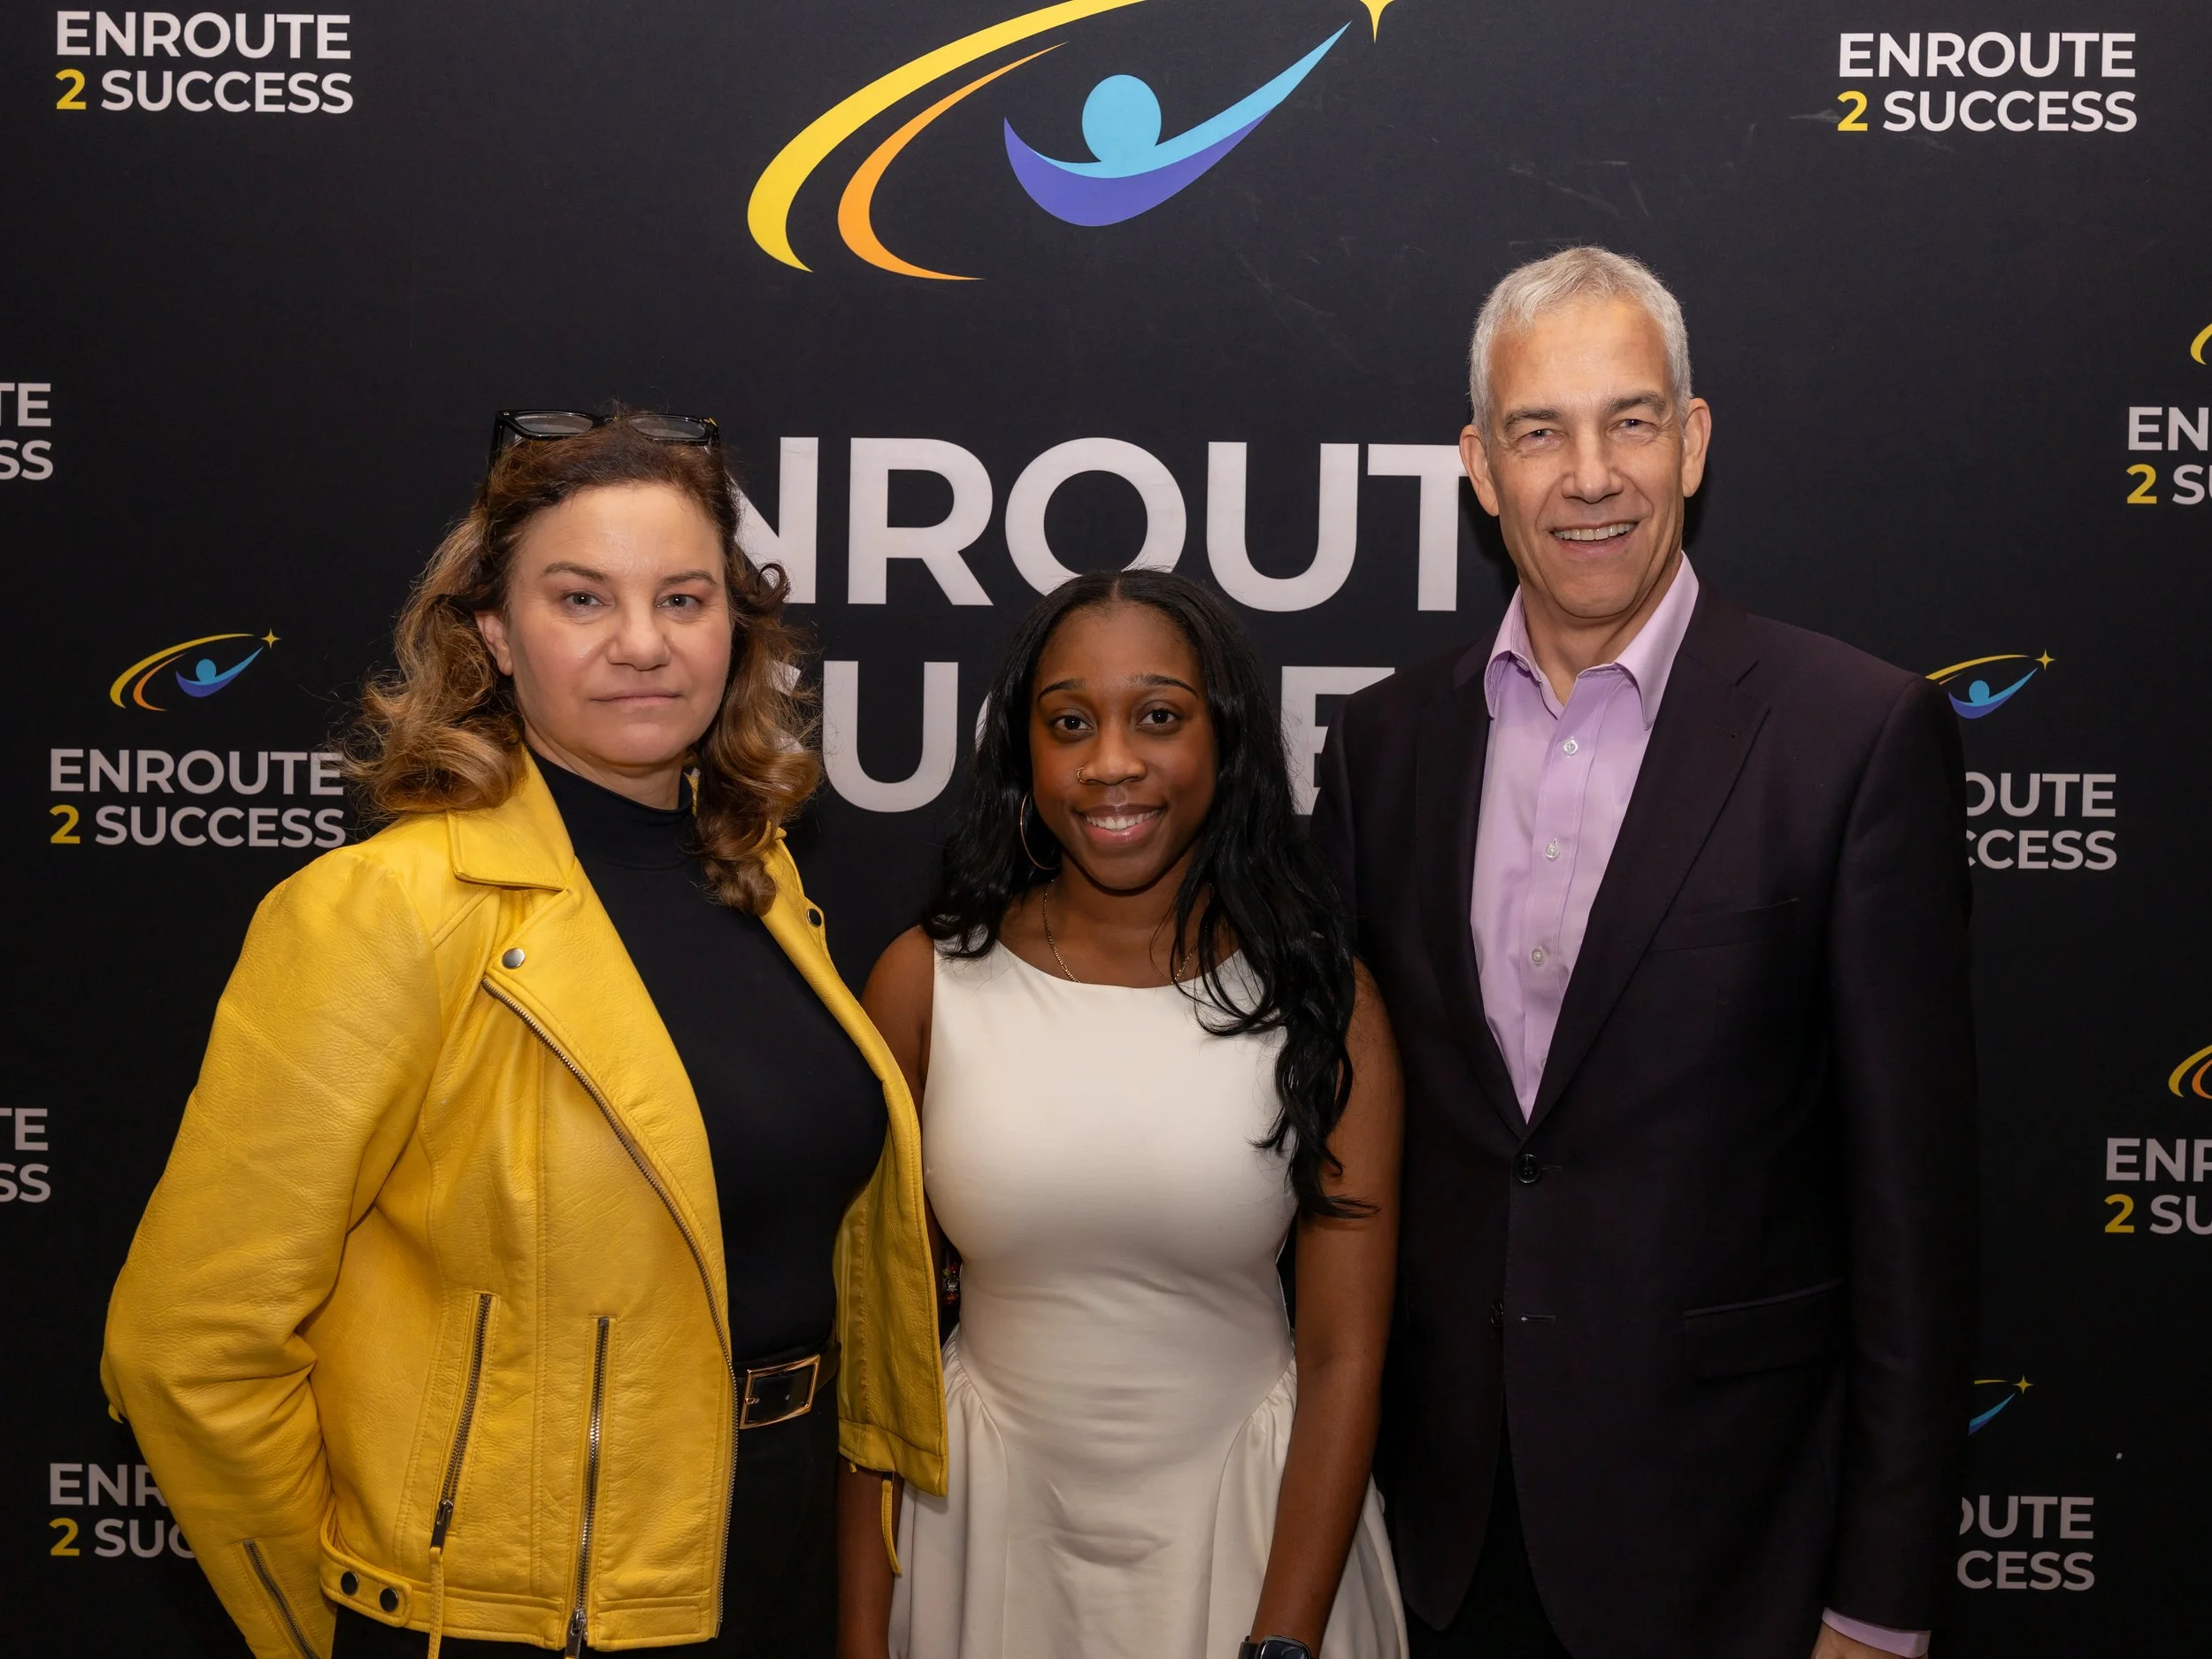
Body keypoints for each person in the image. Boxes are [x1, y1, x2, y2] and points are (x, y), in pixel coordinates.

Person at [100, 410, 944, 1659]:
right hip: (513, 1613)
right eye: (581, 597)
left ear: (737, 629)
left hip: (774, 1548)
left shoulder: (754, 877)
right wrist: (337, 1624)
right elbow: (187, 1343)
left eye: (685, 596)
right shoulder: (387, 910)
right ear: (495, 633)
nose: (643, 643)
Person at [1311, 249, 1978, 1659]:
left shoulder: (1853, 737)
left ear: (1694, 439)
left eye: (1629, 419)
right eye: (1538, 430)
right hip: (1444, 1539)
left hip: (1740, 1547)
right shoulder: (1387, 746)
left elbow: (1914, 1219)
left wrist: (1881, 1599)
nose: (1590, 473)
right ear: (1479, 469)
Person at [839, 570, 1409, 1659]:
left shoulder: (1326, 1005)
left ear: (1225, 743)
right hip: (977, 1536)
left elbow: (1344, 1360)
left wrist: (1282, 1642)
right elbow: (881, 1356)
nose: (1111, 761)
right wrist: (865, 1637)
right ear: (1023, 754)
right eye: (1069, 723)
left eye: (1159, 717)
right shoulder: (923, 986)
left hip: (1254, 1542)